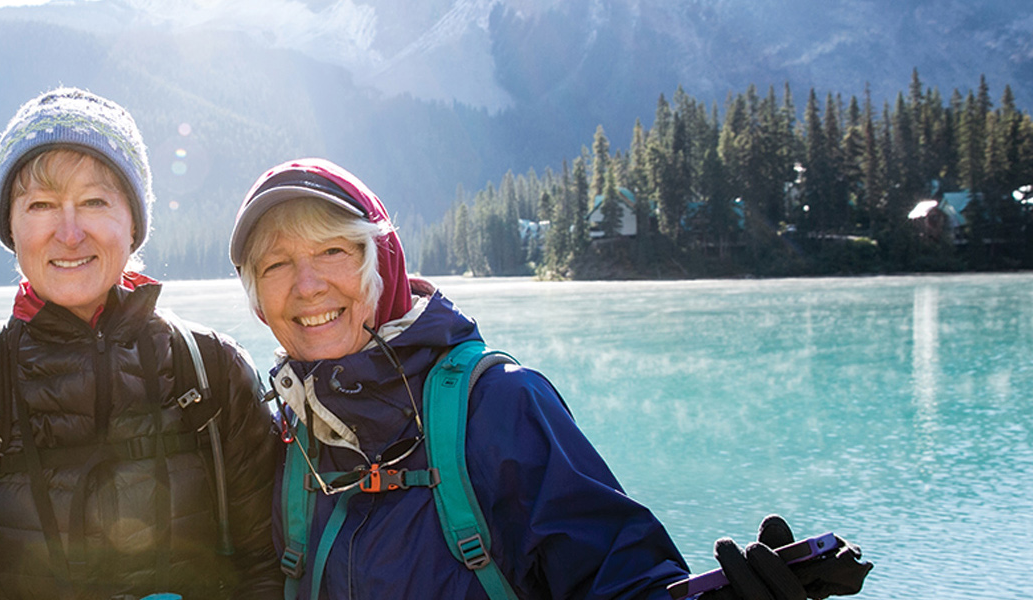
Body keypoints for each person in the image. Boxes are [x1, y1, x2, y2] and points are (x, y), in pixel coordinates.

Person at [227, 158, 873, 600]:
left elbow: (622, 582)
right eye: (278, 264)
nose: (308, 285)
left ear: (383, 261)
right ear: (258, 298)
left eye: (333, 251)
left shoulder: (498, 405)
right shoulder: (286, 435)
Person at [0, 88, 283, 599]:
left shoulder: (210, 370)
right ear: (11, 226)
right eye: (41, 205)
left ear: (134, 223)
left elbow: (265, 570)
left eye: (95, 201)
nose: (69, 233)